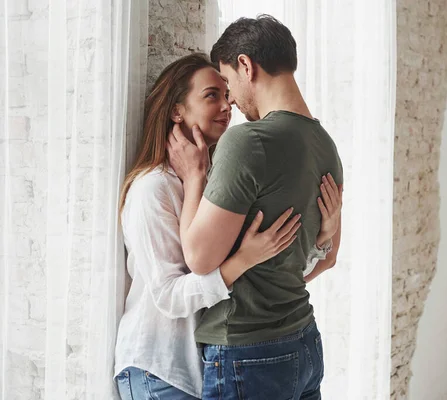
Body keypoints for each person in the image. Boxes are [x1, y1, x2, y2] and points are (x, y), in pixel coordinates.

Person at [114, 53, 341, 400]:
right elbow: (168, 296)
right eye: (211, 96)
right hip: (159, 368)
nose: (227, 105)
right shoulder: (152, 189)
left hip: (204, 366)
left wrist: (324, 236)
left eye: (225, 94)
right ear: (177, 111)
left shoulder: (217, 184)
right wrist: (240, 261)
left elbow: (271, 266)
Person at [167, 15, 343, 400]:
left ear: (246, 65)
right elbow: (327, 258)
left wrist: (195, 177)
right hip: (304, 340)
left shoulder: (248, 142)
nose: (229, 99)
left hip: (248, 349)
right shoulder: (325, 143)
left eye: (228, 83)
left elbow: (198, 257)